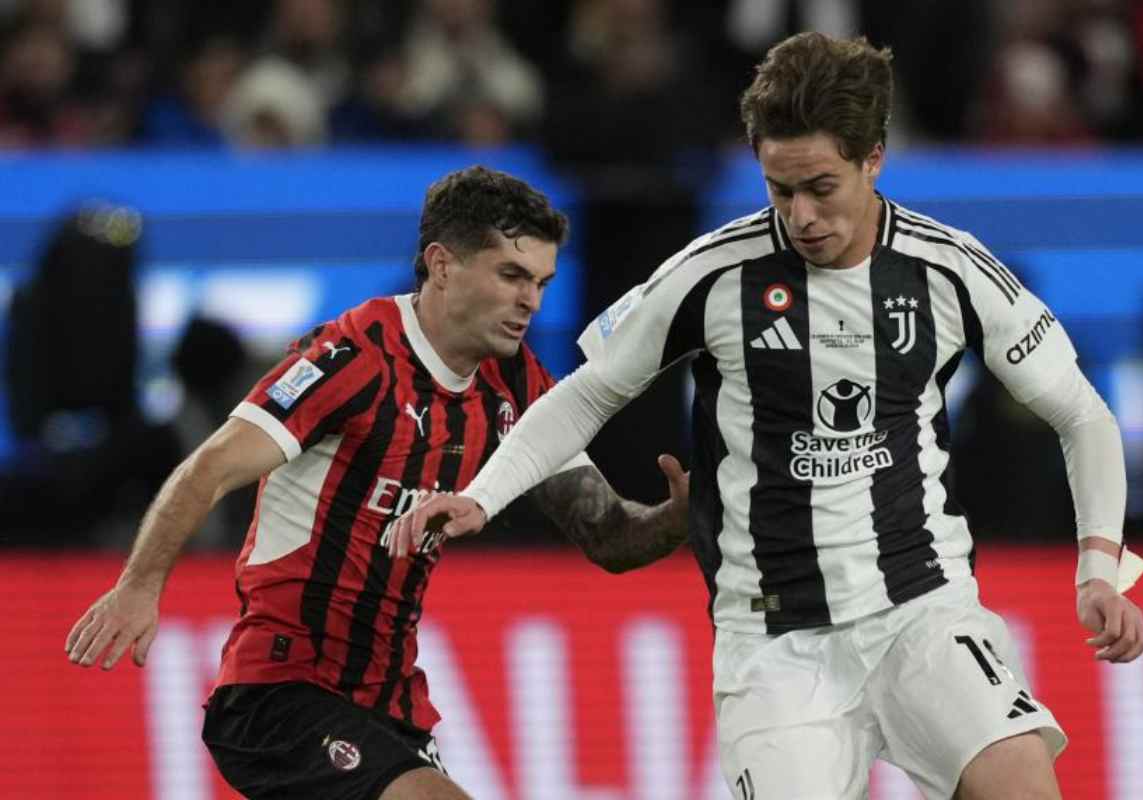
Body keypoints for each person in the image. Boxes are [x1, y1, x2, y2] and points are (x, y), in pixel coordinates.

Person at [394, 34, 1143, 800]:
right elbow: (590, 393)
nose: (802, 216)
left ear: (873, 158)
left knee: (1021, 784)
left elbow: (1083, 415)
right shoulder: (713, 275)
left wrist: (1101, 571)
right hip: (774, 641)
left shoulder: (948, 269)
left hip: (923, 609)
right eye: (780, 190)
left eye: (821, 187)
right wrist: (484, 495)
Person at [64, 166, 690, 800]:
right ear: (442, 265)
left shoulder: (518, 384)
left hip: (392, 706)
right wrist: (139, 586)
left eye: (541, 282)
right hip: (282, 690)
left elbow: (609, 537)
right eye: (511, 275)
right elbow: (210, 467)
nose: (531, 301)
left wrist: (678, 517)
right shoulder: (355, 358)